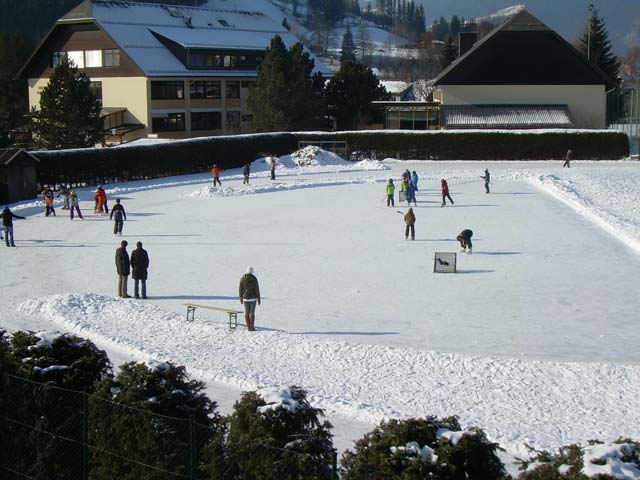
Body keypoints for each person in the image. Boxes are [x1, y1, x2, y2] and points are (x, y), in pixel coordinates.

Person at [239, 266, 261, 331]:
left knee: (246, 313)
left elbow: (240, 289)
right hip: (253, 298)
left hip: (245, 298)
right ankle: (252, 327)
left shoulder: (242, 278)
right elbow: (257, 289)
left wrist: (240, 297)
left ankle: (248, 327)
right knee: (252, 313)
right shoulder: (254, 278)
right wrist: (259, 298)